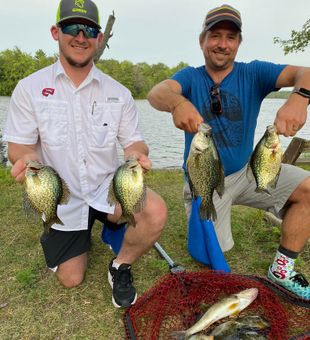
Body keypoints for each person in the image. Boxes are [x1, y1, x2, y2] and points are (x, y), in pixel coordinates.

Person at [3, 0, 167, 308]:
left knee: (155, 211)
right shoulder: (30, 88)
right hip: (62, 196)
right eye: (72, 27)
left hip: (106, 189)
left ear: (100, 38)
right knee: (71, 279)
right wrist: (25, 159)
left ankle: (120, 265)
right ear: (56, 32)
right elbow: (19, 146)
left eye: (90, 30)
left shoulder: (119, 92)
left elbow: (134, 142)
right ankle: (74, 232)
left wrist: (137, 154)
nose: (81, 36)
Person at [147, 4, 310, 300]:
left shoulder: (255, 73)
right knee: (208, 256)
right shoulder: (190, 77)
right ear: (202, 41)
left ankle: (283, 269)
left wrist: (299, 98)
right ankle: (206, 223)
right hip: (206, 180)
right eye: (215, 35)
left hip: (250, 171)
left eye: (231, 37)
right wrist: (177, 102)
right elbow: (156, 92)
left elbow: (305, 72)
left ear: (238, 43)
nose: (223, 44)